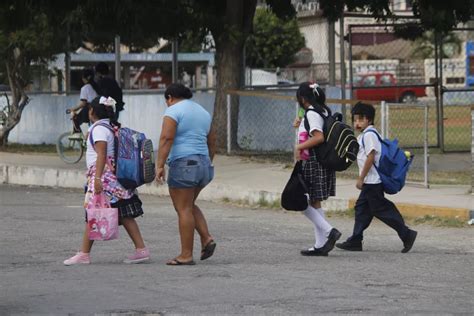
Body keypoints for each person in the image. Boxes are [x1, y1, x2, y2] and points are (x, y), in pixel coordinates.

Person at [64, 96, 149, 265]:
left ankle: (84, 254)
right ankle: (141, 250)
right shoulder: (109, 127)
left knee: (93, 212)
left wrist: (96, 179)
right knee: (124, 215)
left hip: (104, 178)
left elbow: (101, 154)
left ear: (92, 111)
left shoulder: (99, 130)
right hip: (113, 178)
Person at [336, 102, 417, 253]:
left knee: (381, 210)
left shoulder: (369, 135)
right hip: (371, 181)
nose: (357, 123)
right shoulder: (367, 134)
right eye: (355, 120)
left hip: (372, 181)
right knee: (362, 209)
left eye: (360, 119)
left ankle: (406, 234)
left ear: (369, 120)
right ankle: (355, 240)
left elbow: (370, 157)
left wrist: (361, 178)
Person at [155, 83, 216, 266]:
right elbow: (212, 140)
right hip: (204, 165)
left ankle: (186, 255)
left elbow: (166, 138)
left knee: (183, 209)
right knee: (188, 205)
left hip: (184, 164)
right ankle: (206, 239)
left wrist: (159, 165)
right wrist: (207, 161)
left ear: (170, 98)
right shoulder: (203, 112)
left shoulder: (173, 110)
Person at [294, 82, 341, 256]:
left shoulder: (312, 114)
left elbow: (319, 137)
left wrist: (299, 147)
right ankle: (320, 244)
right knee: (315, 201)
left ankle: (330, 231)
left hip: (314, 162)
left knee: (299, 201)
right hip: (322, 162)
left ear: (303, 98)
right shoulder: (323, 110)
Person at [67, 68, 99, 135]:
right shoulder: (98, 86)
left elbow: (83, 103)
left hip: (91, 111)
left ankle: (81, 137)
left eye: (83, 77)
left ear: (88, 77)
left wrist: (73, 109)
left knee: (76, 119)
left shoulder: (85, 88)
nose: (82, 79)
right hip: (101, 110)